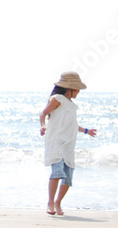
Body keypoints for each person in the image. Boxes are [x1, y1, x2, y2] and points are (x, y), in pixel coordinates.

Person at [39, 71, 97, 216]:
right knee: (57, 172)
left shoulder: (72, 106)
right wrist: (43, 125)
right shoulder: (57, 98)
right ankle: (50, 203)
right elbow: (43, 113)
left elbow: (71, 125)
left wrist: (86, 131)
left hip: (69, 144)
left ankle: (58, 203)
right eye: (77, 89)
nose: (78, 92)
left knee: (68, 177)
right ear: (70, 89)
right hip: (56, 142)